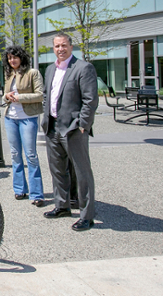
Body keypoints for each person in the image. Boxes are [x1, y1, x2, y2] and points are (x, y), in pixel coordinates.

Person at [41, 33, 98, 231]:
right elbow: (47, 96)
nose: (60, 49)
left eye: (64, 45)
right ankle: (62, 205)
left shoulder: (83, 68)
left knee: (82, 173)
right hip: (52, 127)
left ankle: (86, 215)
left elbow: (90, 100)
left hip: (74, 129)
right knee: (57, 170)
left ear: (71, 47)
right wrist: (45, 118)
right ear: (53, 48)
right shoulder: (49, 69)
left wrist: (83, 124)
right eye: (57, 46)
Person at [0, 45, 45, 207]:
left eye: (15, 57)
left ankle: (37, 193)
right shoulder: (9, 74)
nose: (12, 60)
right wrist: (6, 96)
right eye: (10, 58)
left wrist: (19, 97)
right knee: (15, 154)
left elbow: (40, 95)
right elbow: (5, 97)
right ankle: (19, 189)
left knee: (31, 155)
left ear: (22, 58)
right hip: (10, 118)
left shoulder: (33, 73)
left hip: (28, 118)